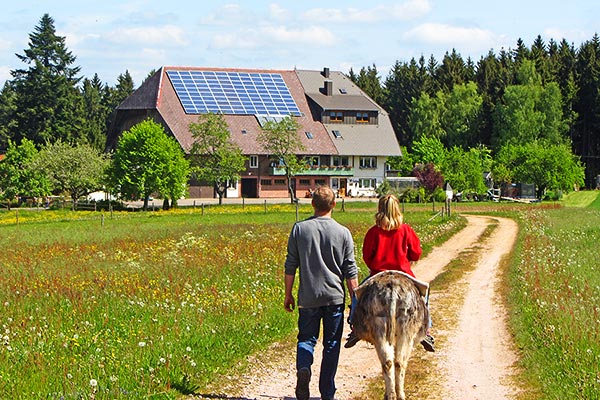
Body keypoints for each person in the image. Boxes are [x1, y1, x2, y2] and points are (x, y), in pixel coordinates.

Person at [284, 185, 359, 400]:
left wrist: (288, 294)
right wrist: (354, 300)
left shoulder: (299, 229)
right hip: (334, 297)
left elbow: (291, 265)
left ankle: (304, 367)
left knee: (306, 338)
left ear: (312, 204)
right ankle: (327, 392)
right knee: (331, 343)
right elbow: (350, 269)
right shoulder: (343, 233)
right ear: (334, 204)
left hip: (308, 297)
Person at [345, 193, 435, 352]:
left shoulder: (373, 232)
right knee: (423, 295)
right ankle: (426, 329)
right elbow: (416, 252)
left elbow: (367, 255)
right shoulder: (406, 230)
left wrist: (375, 265)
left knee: (357, 295)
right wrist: (408, 259)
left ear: (380, 209)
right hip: (403, 273)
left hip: (378, 273)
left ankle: (354, 327)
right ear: (397, 209)